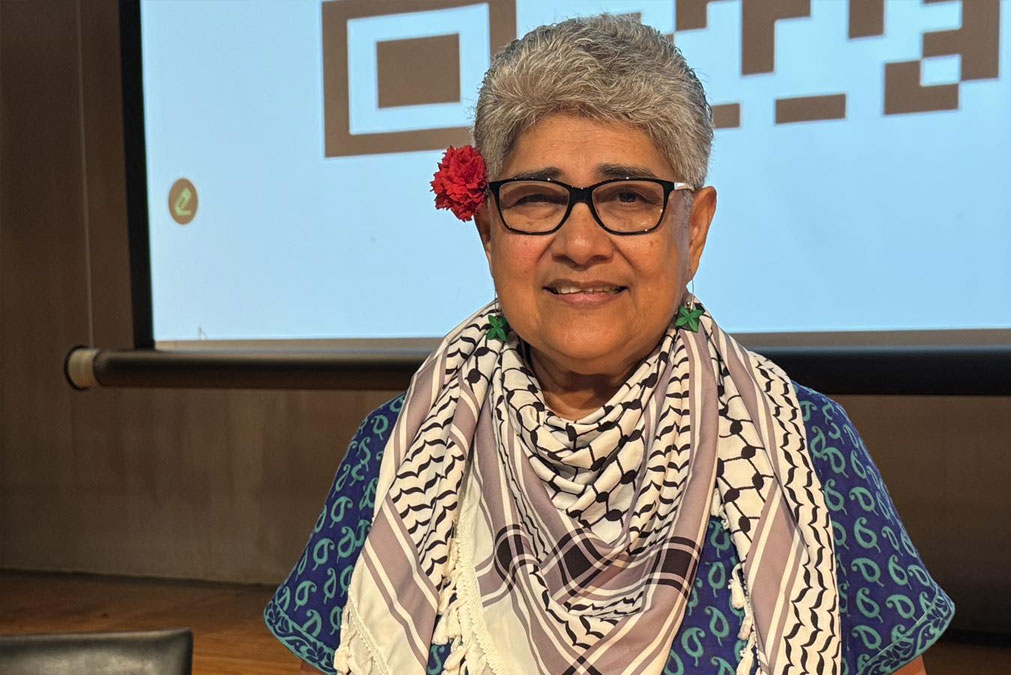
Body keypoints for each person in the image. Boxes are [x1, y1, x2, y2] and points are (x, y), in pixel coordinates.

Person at [266, 15, 952, 675]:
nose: (580, 243)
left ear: (695, 230)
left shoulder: (808, 445)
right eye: (537, 198)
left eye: (627, 197)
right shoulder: (397, 450)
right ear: (489, 233)